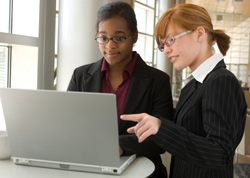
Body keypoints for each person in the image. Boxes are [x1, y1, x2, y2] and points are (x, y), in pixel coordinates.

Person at [121, 3, 247, 178]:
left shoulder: (220, 81)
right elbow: (192, 127)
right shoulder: (196, 82)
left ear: (199, 33)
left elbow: (220, 154)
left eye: (171, 40)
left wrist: (161, 127)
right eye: (162, 45)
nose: (165, 50)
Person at [67, 1, 173, 177]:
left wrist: (120, 146)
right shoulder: (80, 75)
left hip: (142, 172)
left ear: (134, 36)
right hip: (91, 169)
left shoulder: (158, 81)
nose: (110, 46)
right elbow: (68, 123)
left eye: (119, 37)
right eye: (103, 37)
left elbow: (161, 139)